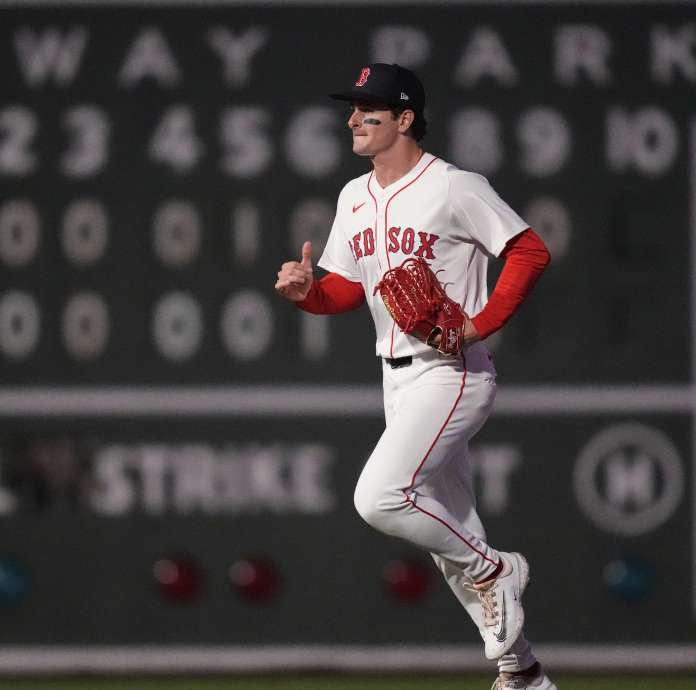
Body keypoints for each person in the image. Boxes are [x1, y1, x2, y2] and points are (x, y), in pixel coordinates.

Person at [274, 63, 556, 690]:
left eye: (368, 109)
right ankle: (524, 673)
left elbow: (529, 249)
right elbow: (348, 289)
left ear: (404, 119)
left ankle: (499, 569)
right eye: (352, 108)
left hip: (451, 371)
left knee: (379, 497)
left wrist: (479, 325)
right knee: (449, 531)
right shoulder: (354, 195)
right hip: (395, 380)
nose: (352, 119)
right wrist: (307, 294)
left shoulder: (454, 186)